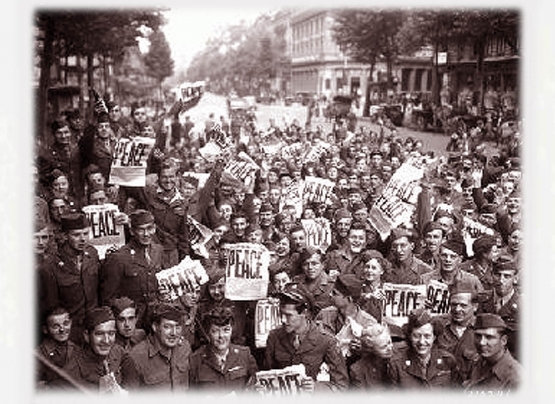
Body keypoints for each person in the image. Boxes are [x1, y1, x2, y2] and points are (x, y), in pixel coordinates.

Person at [264, 287, 349, 392]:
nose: (283, 320)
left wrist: (316, 388)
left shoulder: (326, 341)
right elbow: (267, 374)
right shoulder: (274, 337)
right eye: (281, 314)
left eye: (289, 315)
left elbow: (341, 387)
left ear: (304, 313)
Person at [100, 209, 167, 327]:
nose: (146, 234)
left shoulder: (158, 250)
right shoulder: (119, 257)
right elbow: (108, 299)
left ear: (155, 228)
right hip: (132, 322)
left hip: (155, 319)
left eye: (149, 228)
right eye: (141, 229)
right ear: (131, 231)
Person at [40, 212, 100, 345]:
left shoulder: (92, 254)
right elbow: (52, 308)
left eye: (85, 233)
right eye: (76, 235)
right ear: (65, 236)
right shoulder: (50, 267)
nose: (83, 239)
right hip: (69, 334)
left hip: (93, 329)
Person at [120, 302, 193, 391]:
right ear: (155, 327)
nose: (174, 333)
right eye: (167, 327)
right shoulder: (135, 358)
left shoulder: (184, 348)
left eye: (177, 327)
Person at [189, 306, 258, 393]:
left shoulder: (245, 355)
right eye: (215, 331)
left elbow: (255, 389)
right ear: (208, 333)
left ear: (232, 331)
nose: (221, 336)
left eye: (226, 330)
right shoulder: (195, 360)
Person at [389, 308, 459, 389]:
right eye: (416, 336)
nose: (421, 342)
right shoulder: (397, 364)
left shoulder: (448, 361)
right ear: (409, 336)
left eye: (427, 336)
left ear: (434, 337)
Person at [63, 306, 125, 392]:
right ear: (87, 336)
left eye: (111, 333)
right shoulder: (71, 374)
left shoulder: (118, 351)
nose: (106, 341)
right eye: (99, 334)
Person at [464, 313, 520, 391]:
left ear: (503, 340)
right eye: (478, 336)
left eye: (489, 337)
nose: (481, 342)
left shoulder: (516, 378)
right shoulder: (476, 362)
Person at [36, 307, 78, 389]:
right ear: (45, 330)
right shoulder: (38, 355)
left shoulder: (76, 349)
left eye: (66, 323)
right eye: (56, 326)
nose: (62, 329)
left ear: (71, 323)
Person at [349, 322, 395, 389]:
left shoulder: (400, 358)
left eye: (389, 342)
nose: (389, 348)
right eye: (383, 347)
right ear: (370, 348)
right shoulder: (358, 370)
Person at [293, 247, 334, 315]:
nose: (310, 268)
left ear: (323, 265)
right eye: (306, 264)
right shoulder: (296, 281)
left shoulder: (332, 285)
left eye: (314, 263)